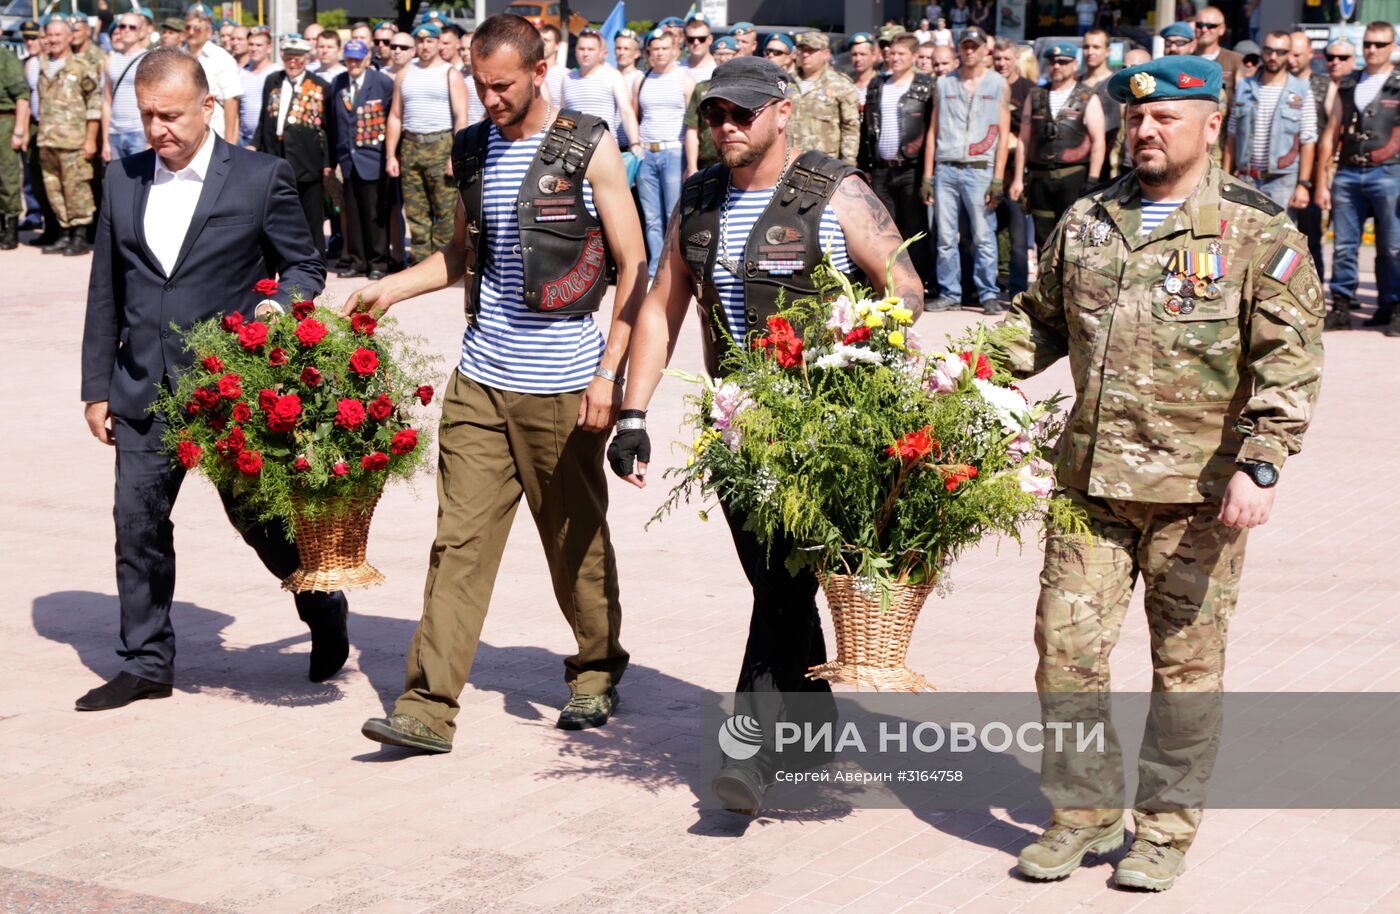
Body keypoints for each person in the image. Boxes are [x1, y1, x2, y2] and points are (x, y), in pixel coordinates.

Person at [1007, 55, 1323, 892]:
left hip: (1200, 498)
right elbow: (1034, 326)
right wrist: (954, 378)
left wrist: (1262, 463)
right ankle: (1082, 813)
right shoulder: (1089, 220)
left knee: (1185, 671)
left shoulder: (1257, 231)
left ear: (1210, 123)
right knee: (1065, 655)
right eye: (1138, 119)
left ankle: (1165, 832)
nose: (1146, 131)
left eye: (1167, 118)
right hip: (1089, 488)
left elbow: (1290, 363)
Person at [605, 56, 924, 813]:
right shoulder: (702, 199)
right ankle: (812, 733)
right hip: (739, 432)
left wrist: (882, 378)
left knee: (780, 586)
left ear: (784, 111)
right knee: (775, 587)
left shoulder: (834, 191)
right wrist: (633, 414)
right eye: (714, 114)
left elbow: (903, 286)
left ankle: (750, 757)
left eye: (741, 113)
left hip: (826, 428)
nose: (726, 127)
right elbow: (663, 307)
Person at [351, 13, 646, 754]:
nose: (490, 99)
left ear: (539, 71)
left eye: (503, 86)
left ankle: (595, 670)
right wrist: (391, 288)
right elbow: (460, 256)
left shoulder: (588, 144)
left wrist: (610, 373)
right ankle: (426, 707)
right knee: (459, 543)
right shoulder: (473, 148)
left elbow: (635, 265)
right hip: (481, 380)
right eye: (479, 86)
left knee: (572, 539)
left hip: (566, 387)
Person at [79, 48, 340, 712]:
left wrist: (279, 306)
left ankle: (319, 599)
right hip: (143, 386)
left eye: (170, 115)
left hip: (227, 391)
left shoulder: (258, 177)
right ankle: (146, 661)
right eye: (145, 117)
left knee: (258, 520)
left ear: (207, 108)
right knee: (136, 523)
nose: (157, 129)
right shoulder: (121, 180)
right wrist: (96, 385)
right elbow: (105, 288)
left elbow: (304, 265)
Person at [1316, 21, 1400, 333]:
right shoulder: (1349, 83)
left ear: (1392, 46)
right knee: (1343, 245)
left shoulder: (1398, 82)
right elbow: (1331, 133)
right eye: (1367, 44)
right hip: (1349, 172)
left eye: (1379, 44)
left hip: (1390, 172)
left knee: (1393, 246)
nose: (1372, 50)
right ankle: (1340, 306)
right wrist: (1323, 181)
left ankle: (1393, 306)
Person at [921, 26, 1010, 313]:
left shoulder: (998, 84)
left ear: (986, 49)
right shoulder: (944, 83)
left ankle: (988, 293)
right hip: (946, 169)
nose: (969, 50)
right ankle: (950, 293)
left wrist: (998, 178)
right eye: (965, 46)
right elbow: (933, 131)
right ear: (959, 49)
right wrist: (927, 175)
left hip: (980, 170)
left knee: (984, 235)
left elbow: (1004, 134)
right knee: (945, 237)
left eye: (975, 46)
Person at [861, 32, 936, 303]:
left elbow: (933, 129)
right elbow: (865, 129)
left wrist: (930, 172)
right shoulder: (877, 85)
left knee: (914, 229)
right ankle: (885, 283)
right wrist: (864, 165)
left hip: (911, 169)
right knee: (883, 229)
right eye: (891, 53)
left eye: (901, 54)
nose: (894, 58)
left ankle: (919, 283)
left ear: (914, 57)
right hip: (881, 167)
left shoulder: (927, 86)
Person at [387, 21, 469, 263]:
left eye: (430, 41)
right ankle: (421, 260)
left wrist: (456, 155)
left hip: (441, 143)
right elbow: (395, 115)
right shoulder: (404, 73)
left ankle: (443, 262)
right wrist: (391, 154)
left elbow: (460, 116)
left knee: (445, 211)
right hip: (411, 144)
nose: (425, 45)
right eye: (420, 41)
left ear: (437, 43)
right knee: (415, 210)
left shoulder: (449, 73)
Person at [1010, 44, 1105, 246]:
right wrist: (1018, 179)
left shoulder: (1087, 96)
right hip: (1040, 178)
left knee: (1073, 236)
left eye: (1063, 62)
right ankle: (1045, 277)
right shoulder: (1036, 95)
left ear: (1074, 65)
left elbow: (1098, 140)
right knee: (1043, 237)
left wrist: (1093, 179)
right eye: (1053, 62)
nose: (1057, 66)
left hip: (1073, 177)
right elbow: (1024, 140)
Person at [253, 35, 332, 253]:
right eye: (289, 58)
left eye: (298, 58)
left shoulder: (320, 85)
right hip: (275, 154)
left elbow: (328, 128)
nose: (293, 63)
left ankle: (315, 259)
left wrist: (328, 163)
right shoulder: (273, 81)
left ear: (307, 59)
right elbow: (263, 118)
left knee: (311, 216)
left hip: (307, 160)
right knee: (278, 212)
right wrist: (256, 145)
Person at [1223, 31, 1316, 214]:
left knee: (1279, 239)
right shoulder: (1245, 86)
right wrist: (1225, 177)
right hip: (1246, 178)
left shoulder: (1302, 90)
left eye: (1280, 52)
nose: (1273, 57)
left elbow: (1308, 140)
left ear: (1289, 54)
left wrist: (1303, 184)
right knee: (1241, 239)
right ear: (1262, 52)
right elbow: (1232, 136)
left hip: (1282, 180)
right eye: (1268, 50)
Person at [37, 16, 101, 256]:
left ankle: (80, 236)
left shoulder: (81, 66)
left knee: (77, 189)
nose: (53, 39)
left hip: (74, 140)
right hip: (47, 139)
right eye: (49, 35)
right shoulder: (43, 64)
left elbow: (94, 103)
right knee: (54, 189)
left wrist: (90, 139)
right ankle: (64, 234)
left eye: (58, 35)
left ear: (69, 37)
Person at [330, 39, 393, 279]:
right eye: (349, 58)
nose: (353, 63)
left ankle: (378, 262)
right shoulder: (338, 83)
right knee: (353, 211)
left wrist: (390, 156)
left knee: (374, 213)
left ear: (368, 58)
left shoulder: (382, 83)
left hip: (373, 158)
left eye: (358, 58)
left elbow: (391, 118)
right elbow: (333, 121)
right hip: (347, 158)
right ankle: (357, 261)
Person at [635, 28, 694, 277]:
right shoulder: (642, 78)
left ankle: (672, 266)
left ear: (675, 50)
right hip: (647, 153)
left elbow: (693, 121)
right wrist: (637, 144)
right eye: (654, 49)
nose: (659, 53)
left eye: (664, 48)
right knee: (651, 217)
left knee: (673, 213)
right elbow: (635, 113)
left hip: (673, 151)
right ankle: (655, 268)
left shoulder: (684, 78)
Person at [561, 28, 641, 161]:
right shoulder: (567, 78)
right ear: (575, 51)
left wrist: (635, 143)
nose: (585, 53)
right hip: (572, 151)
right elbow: (564, 114)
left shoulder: (613, 75)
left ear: (600, 53)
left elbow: (626, 111)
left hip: (604, 148)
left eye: (590, 49)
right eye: (581, 49)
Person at [992, 37, 1031, 299]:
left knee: (1018, 236)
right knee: (988, 233)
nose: (1002, 63)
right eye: (997, 58)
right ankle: (992, 282)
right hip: (989, 167)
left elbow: (1030, 128)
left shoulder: (1028, 89)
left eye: (1007, 58)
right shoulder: (988, 84)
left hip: (1016, 168)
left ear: (1016, 58)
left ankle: (1018, 288)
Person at [788, 32, 860, 166]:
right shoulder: (788, 82)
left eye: (811, 50)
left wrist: (848, 162)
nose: (805, 55)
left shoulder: (840, 84)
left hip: (823, 164)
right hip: (788, 160)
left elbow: (850, 126)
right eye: (802, 50)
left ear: (826, 54)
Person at [183, 6, 241, 140]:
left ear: (208, 32)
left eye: (197, 29)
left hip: (214, 134)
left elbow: (231, 101)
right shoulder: (178, 55)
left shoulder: (222, 58)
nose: (191, 32)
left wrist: (230, 141)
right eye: (187, 28)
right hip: (184, 134)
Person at [102, 11, 148, 163]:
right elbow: (107, 101)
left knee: (141, 184)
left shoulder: (149, 59)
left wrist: (151, 140)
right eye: (122, 26)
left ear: (141, 31)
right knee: (119, 184)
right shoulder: (110, 61)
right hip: (115, 133)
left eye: (132, 27)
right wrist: (105, 140)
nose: (126, 30)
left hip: (139, 132)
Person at [1080, 29, 1121, 180]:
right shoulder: (1075, 84)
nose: (1090, 52)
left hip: (1108, 165)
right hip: (1077, 163)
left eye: (1096, 47)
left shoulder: (1116, 84)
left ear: (1108, 51)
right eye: (1086, 47)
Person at [0, 46, 27, 250]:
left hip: (4, 123)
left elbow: (22, 96)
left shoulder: (6, 58)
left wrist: (19, 130)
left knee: (7, 177)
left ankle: (11, 228)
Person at [238, 28, 277, 146]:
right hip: (243, 139)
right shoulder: (240, 73)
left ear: (269, 48)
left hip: (268, 140)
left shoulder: (277, 73)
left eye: (259, 45)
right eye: (251, 44)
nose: (254, 49)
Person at [680, 13, 716, 82]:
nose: (696, 43)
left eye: (701, 39)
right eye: (691, 39)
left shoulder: (718, 67)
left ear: (710, 39)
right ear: (685, 40)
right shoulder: (676, 69)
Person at [847, 32, 878, 109]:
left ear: (873, 56)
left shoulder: (881, 83)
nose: (858, 59)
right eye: (854, 54)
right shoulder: (846, 84)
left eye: (863, 54)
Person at [539, 24, 565, 107]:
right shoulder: (528, 72)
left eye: (546, 40)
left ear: (557, 45)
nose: (542, 44)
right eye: (539, 40)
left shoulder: (567, 75)